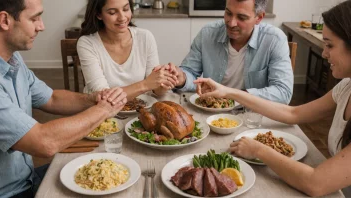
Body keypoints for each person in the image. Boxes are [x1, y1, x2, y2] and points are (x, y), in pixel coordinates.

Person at [194, 1, 351, 196]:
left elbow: (315, 183)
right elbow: (293, 113)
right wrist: (229, 92)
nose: (324, 53)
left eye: (329, 45)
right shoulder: (346, 87)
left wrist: (259, 150)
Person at [0, 0, 127, 197]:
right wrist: (103, 110)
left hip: (28, 177)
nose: (42, 26)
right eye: (34, 18)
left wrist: (93, 99)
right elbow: (44, 142)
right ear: (5, 20)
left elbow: (52, 98)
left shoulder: (14, 60)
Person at [155, 0, 293, 104]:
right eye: (228, 13)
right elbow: (191, 73)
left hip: (253, 117)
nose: (231, 23)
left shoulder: (274, 40)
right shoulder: (208, 33)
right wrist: (183, 78)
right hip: (211, 114)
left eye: (241, 17)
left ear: (259, 18)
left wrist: (232, 94)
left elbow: (283, 93)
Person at [77, 0, 177, 99]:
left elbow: (155, 90)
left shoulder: (145, 37)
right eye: (112, 12)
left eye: (126, 9)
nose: (122, 17)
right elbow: (103, 97)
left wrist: (165, 80)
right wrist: (145, 84)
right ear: (99, 14)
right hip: (103, 112)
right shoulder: (87, 44)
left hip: (141, 109)